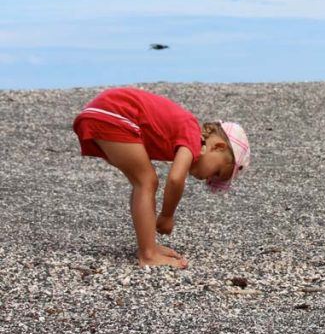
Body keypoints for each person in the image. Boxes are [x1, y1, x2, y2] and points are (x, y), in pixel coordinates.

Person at [73, 87, 251, 269]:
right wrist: (167, 215)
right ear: (218, 147)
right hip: (113, 114)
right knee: (146, 181)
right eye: (217, 172)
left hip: (103, 112)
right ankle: (148, 254)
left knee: (142, 182)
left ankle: (148, 245)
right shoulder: (192, 135)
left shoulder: (186, 133)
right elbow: (175, 178)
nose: (208, 178)